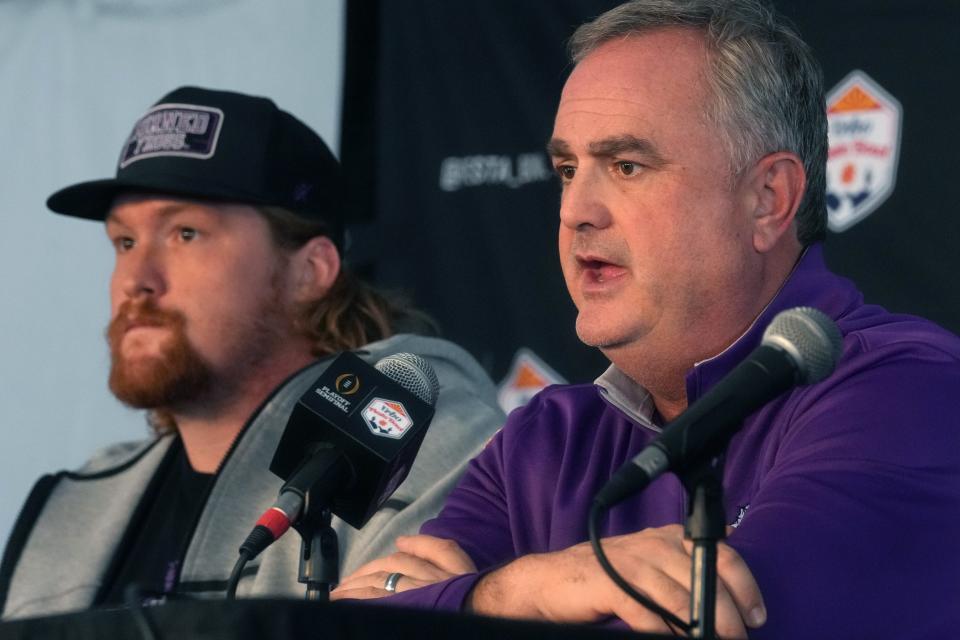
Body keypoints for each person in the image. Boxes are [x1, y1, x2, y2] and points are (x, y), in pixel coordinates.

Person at [330, 1, 960, 638]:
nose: (576, 209)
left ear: (768, 200)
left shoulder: (907, 391)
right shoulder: (546, 437)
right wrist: (525, 590)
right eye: (568, 170)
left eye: (627, 166)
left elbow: (719, 625)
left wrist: (479, 599)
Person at [0, 86, 504, 619]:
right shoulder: (77, 502)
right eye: (124, 243)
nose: (136, 281)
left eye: (185, 234)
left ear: (309, 271)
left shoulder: (417, 435)